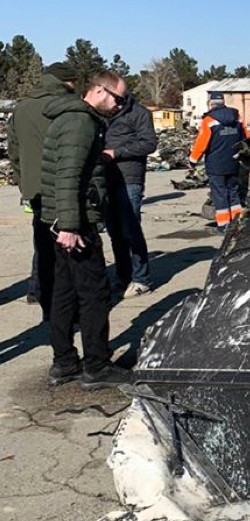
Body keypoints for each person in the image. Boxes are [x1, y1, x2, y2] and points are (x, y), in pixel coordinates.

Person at [40, 70, 133, 389]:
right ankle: (96, 365)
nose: (120, 106)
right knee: (95, 294)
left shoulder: (71, 119)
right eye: (118, 99)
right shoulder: (81, 124)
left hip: (63, 222)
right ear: (99, 91)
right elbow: (68, 176)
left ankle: (64, 362)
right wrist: (69, 226)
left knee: (64, 293)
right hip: (75, 224)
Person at [7, 62, 78, 320]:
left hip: (35, 190)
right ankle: (67, 311)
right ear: (67, 82)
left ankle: (46, 304)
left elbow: (13, 151)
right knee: (69, 253)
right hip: (64, 189)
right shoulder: (63, 107)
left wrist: (24, 182)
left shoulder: (21, 108)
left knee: (44, 248)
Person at [103, 83, 158, 298]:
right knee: (114, 232)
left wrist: (118, 152)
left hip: (129, 178)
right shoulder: (102, 114)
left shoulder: (139, 113)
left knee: (130, 230)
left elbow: (149, 144)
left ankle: (141, 279)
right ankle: (122, 276)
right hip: (106, 179)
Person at [188, 91, 249, 233]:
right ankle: (237, 222)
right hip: (234, 162)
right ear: (223, 101)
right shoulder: (237, 118)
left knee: (219, 194)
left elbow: (201, 144)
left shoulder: (209, 121)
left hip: (216, 165)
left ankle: (223, 225)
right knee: (234, 193)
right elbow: (246, 138)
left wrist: (192, 160)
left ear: (211, 103)